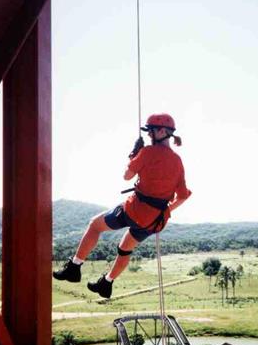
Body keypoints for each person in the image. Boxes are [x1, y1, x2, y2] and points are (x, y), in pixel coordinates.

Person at [53, 113, 191, 298]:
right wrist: (165, 211)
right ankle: (107, 283)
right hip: (155, 221)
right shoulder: (177, 161)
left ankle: (74, 267)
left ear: (162, 131)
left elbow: (127, 176)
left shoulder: (148, 152)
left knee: (95, 225)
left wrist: (135, 155)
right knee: (125, 247)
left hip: (134, 210)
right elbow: (182, 197)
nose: (149, 136)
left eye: (150, 132)